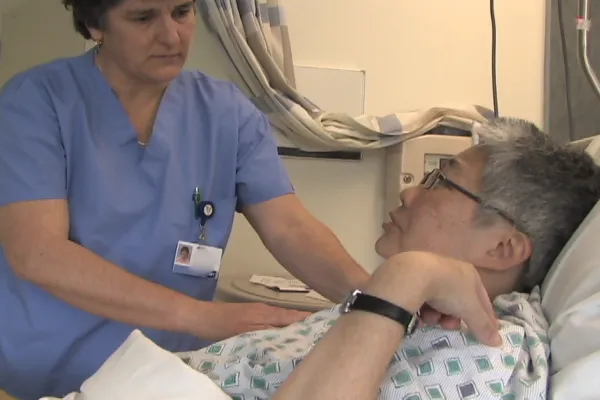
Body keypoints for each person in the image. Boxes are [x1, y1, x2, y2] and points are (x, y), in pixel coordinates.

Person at [0, 1, 369, 398]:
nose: (171, 35)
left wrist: (383, 298)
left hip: (166, 376)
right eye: (143, 17)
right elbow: (38, 252)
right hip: (47, 373)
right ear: (95, 25)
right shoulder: (37, 102)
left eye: (181, 12)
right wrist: (202, 317)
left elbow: (290, 226)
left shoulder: (227, 113)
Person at [176, 118, 600, 399]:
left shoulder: (487, 350)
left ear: (502, 247)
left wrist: (408, 274)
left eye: (440, 182)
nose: (409, 192)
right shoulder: (414, 315)